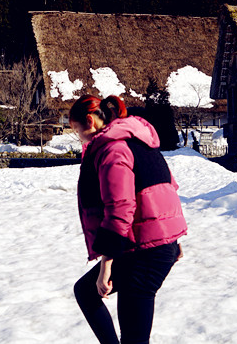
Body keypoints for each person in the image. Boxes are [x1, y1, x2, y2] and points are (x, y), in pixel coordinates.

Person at [69, 95, 187, 344]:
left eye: (75, 130)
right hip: (151, 246)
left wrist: (106, 265)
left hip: (146, 252)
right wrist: (173, 241)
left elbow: (120, 208)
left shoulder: (113, 149)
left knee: (133, 339)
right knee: (85, 292)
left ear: (89, 121)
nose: (78, 138)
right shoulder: (138, 139)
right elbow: (168, 187)